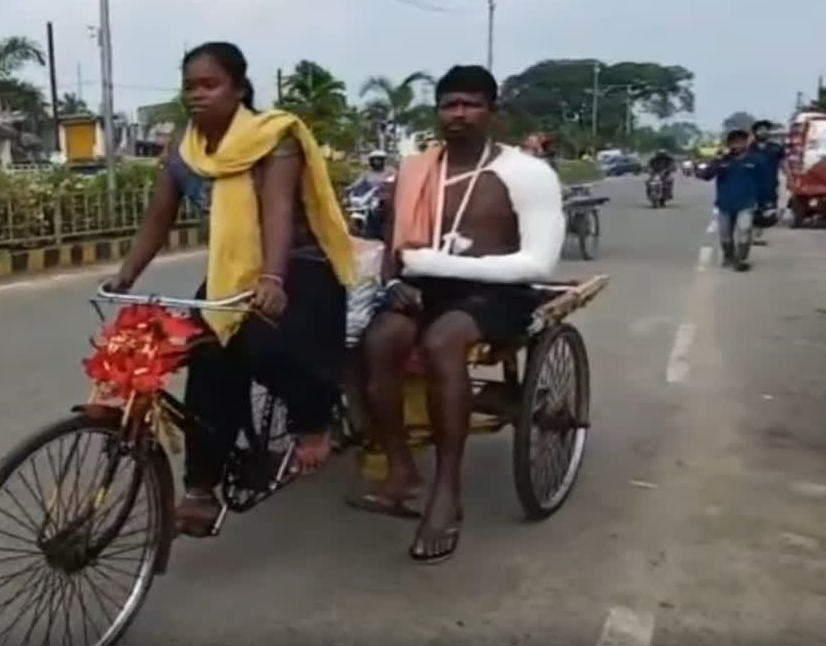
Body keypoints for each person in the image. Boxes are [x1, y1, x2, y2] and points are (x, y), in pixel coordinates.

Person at [105, 42, 354, 537]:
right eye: (189, 87)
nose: (197, 95)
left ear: (238, 89)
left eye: (209, 84)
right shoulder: (185, 149)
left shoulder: (273, 136)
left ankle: (313, 421)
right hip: (231, 272)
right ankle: (202, 485)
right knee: (208, 358)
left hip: (297, 263)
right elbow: (160, 217)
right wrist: (126, 275)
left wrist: (273, 278)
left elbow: (278, 210)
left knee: (266, 346)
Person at [350, 65, 564, 563]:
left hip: (501, 292)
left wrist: (436, 264)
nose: (459, 114)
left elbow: (538, 261)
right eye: (450, 104)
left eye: (470, 104)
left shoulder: (526, 173)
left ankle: (447, 492)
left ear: (493, 112)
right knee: (378, 339)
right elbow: (393, 241)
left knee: (443, 341)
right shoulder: (417, 170)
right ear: (438, 111)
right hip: (427, 286)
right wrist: (395, 281)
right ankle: (401, 469)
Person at [698, 129, 764, 271]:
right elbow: (706, 176)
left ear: (746, 143)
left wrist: (764, 202)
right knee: (725, 235)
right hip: (725, 204)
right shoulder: (723, 161)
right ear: (729, 144)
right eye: (734, 141)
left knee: (744, 230)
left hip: (746, 203)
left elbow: (764, 181)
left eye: (741, 141)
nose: (737, 144)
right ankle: (728, 256)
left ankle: (741, 259)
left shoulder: (755, 160)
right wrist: (716, 159)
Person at [749, 120, 786, 244]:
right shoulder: (749, 148)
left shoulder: (776, 148)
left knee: (768, 214)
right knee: (750, 211)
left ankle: (756, 232)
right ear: (755, 132)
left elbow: (784, 165)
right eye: (760, 129)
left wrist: (791, 180)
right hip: (751, 186)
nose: (763, 131)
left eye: (766, 129)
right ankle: (750, 236)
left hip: (770, 185)